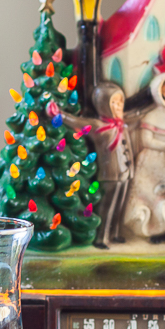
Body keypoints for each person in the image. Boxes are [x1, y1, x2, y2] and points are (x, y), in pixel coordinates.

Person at [62, 83, 136, 248]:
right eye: (114, 103)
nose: (118, 107)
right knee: (107, 206)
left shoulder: (123, 124)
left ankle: (115, 233)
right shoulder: (99, 127)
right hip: (110, 174)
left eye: (120, 102)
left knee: (120, 205)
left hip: (126, 173)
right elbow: (78, 122)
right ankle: (101, 237)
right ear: (103, 105)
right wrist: (59, 114)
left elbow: (137, 115)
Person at [123, 72, 165, 242]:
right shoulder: (152, 117)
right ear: (160, 93)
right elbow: (146, 140)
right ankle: (149, 227)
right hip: (152, 162)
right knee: (150, 192)